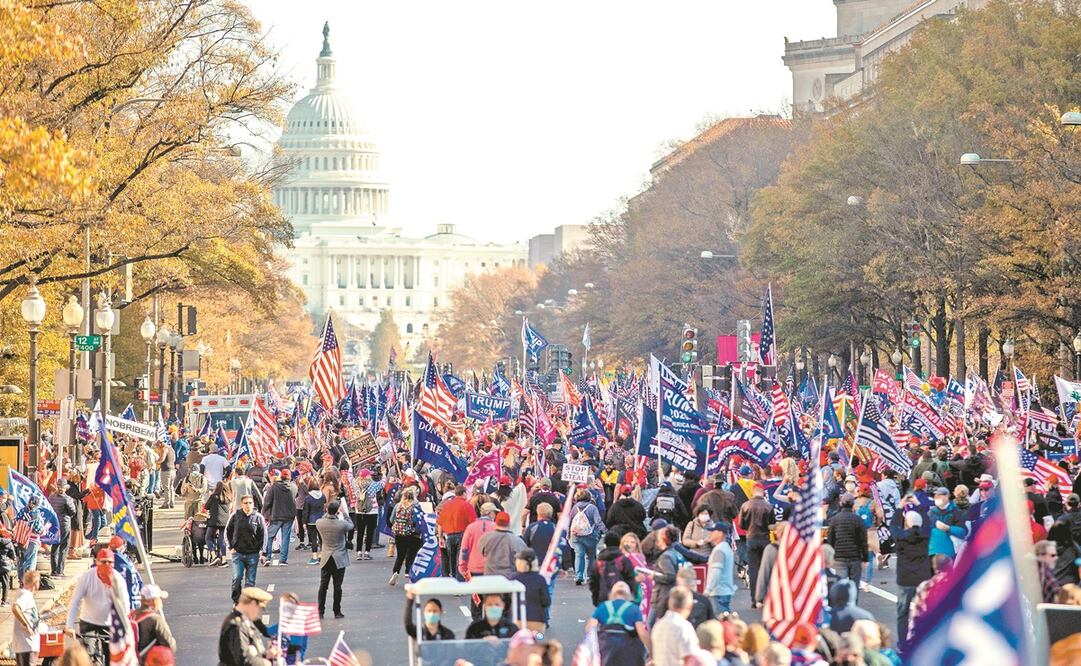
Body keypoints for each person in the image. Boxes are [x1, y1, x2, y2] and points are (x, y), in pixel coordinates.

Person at [65, 548, 131, 658]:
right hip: (88, 621)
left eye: (110, 562)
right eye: (103, 562)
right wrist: (70, 626)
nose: (107, 565)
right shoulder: (87, 577)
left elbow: (124, 605)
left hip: (109, 623)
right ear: (97, 562)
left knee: (112, 657)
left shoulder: (118, 580)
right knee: (87, 655)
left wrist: (126, 628)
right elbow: (75, 601)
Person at [587, 581, 651, 666]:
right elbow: (641, 632)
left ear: (612, 594)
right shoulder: (633, 609)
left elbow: (590, 627)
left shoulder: (603, 607)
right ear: (628, 595)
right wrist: (652, 651)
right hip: (627, 650)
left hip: (606, 648)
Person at [218, 586, 281, 666]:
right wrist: (264, 663)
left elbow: (251, 652)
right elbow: (242, 659)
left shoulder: (244, 621)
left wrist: (266, 655)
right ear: (253, 603)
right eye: (260, 608)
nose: (259, 612)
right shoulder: (237, 625)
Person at [894, 511, 931, 642]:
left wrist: (899, 509)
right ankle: (922, 640)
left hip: (905, 579)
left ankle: (902, 643)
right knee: (924, 612)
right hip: (922, 578)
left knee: (902, 613)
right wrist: (921, 507)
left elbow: (893, 527)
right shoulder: (926, 536)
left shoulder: (900, 537)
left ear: (907, 523)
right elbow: (928, 522)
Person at [737, 483, 774, 608]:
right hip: (765, 539)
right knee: (766, 569)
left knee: (753, 569)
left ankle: (754, 598)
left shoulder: (746, 505)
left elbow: (741, 524)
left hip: (751, 538)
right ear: (762, 492)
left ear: (753, 491)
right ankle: (765, 597)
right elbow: (772, 525)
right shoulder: (768, 506)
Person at [226, 494, 267, 603]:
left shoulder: (258, 517)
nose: (248, 505)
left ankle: (247, 602)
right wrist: (230, 547)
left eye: (250, 503)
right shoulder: (235, 516)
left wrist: (263, 552)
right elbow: (227, 531)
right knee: (237, 577)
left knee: (250, 581)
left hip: (253, 554)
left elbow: (264, 535)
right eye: (246, 503)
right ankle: (236, 600)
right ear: (241, 504)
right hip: (238, 553)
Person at [315, 500, 351, 618]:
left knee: (323, 586)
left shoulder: (319, 523)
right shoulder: (342, 524)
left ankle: (320, 611)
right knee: (337, 586)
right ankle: (337, 611)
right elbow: (351, 525)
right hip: (339, 558)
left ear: (326, 510)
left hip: (326, 557)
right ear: (337, 511)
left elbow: (323, 517)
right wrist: (344, 513)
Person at [646, 526, 688, 626]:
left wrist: (654, 576)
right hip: (671, 594)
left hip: (662, 596)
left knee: (651, 625)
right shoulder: (677, 554)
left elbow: (670, 576)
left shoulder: (665, 557)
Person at [826, 494, 867, 594]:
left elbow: (831, 539)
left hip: (840, 557)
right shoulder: (858, 520)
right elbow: (863, 541)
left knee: (841, 586)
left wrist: (831, 555)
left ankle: (842, 607)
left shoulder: (834, 520)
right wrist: (865, 558)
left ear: (841, 504)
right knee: (854, 587)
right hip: (855, 557)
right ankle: (853, 606)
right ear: (853, 504)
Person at [650, 587, 699, 666]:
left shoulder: (658, 626)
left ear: (670, 603)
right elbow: (691, 659)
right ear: (690, 605)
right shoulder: (684, 627)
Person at [435, 484, 475, 579]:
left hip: (449, 536)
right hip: (462, 535)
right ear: (464, 493)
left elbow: (440, 523)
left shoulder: (447, 506)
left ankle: (453, 578)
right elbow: (473, 523)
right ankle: (459, 581)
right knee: (459, 559)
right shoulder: (466, 505)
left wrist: (440, 537)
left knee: (451, 559)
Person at [568, 489, 605, 586]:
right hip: (591, 536)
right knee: (590, 556)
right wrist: (605, 531)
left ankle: (579, 576)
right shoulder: (592, 508)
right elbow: (598, 522)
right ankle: (589, 576)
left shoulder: (574, 508)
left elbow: (570, 521)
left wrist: (568, 534)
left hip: (576, 535)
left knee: (579, 555)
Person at [261, 469, 298, 566]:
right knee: (285, 538)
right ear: (289, 477)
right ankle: (283, 560)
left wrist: (264, 513)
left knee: (269, 536)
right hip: (289, 515)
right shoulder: (293, 487)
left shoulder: (274, 487)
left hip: (276, 515)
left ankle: (267, 557)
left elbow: (267, 502)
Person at [590, 531, 637, 607]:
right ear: (619, 544)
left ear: (605, 545)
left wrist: (596, 600)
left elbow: (594, 584)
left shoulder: (598, 562)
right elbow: (631, 579)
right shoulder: (623, 560)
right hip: (623, 597)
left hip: (604, 598)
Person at [511, 548, 551, 632]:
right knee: (537, 641)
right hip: (538, 620)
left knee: (519, 643)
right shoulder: (540, 579)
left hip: (517, 619)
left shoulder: (513, 579)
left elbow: (507, 599)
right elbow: (546, 601)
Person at [131, 585, 177, 659]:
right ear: (153, 601)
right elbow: (169, 645)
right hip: (148, 660)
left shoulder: (131, 615)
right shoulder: (155, 619)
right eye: (159, 598)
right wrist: (173, 641)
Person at [389, 488, 423, 586]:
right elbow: (419, 520)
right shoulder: (416, 506)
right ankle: (408, 572)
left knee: (400, 555)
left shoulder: (398, 506)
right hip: (411, 533)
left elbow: (392, 520)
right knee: (411, 554)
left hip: (399, 533)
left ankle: (396, 572)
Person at [704, 521, 736, 615]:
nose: (711, 533)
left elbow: (716, 572)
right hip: (725, 590)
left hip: (718, 592)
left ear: (720, 533)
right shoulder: (726, 547)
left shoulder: (719, 550)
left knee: (720, 622)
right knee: (726, 619)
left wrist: (708, 590)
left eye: (713, 531)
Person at [479, 511, 527, 576]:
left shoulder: (485, 538)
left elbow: (481, 551)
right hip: (509, 578)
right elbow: (523, 558)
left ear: (495, 523)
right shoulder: (517, 541)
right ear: (509, 523)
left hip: (489, 577)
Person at [927, 487, 968, 558]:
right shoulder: (931, 512)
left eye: (939, 496)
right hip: (934, 550)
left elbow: (963, 532)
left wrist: (949, 528)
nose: (936, 498)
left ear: (947, 496)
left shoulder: (956, 511)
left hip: (951, 549)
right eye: (935, 496)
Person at [48, 479, 77, 577]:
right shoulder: (67, 498)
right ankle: (60, 571)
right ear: (65, 488)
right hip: (64, 524)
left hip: (54, 524)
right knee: (63, 547)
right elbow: (73, 511)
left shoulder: (51, 497)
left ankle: (53, 570)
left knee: (54, 547)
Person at [12, 570, 41, 666]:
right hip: (27, 644)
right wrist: (26, 624)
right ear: (35, 584)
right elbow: (15, 608)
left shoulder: (23, 594)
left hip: (24, 644)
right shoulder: (25, 595)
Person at [205, 481, 233, 566]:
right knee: (222, 540)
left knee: (208, 538)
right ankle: (224, 560)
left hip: (214, 521)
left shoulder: (214, 496)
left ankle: (214, 556)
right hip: (225, 522)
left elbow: (207, 506)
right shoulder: (229, 497)